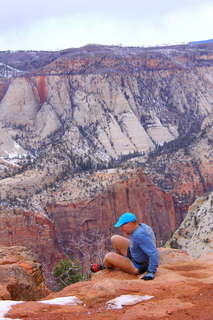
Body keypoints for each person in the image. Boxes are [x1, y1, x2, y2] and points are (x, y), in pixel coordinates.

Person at [90, 212, 159, 280]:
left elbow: (153, 252)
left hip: (138, 265)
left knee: (108, 257)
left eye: (122, 227)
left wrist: (151, 272)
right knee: (115, 238)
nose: (121, 229)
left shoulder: (139, 235)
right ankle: (121, 263)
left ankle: (105, 267)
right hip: (136, 255)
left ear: (131, 224)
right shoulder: (142, 226)